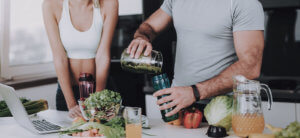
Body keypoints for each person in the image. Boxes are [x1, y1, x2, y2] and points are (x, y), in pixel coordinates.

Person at [127, 0, 265, 117]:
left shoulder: (244, 3)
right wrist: (142, 38)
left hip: (223, 110)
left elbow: (250, 66)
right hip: (179, 106)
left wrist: (195, 92)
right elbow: (150, 26)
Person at [42, 0, 118, 118]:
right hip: (68, 93)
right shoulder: (50, 5)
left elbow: (103, 55)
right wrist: (71, 104)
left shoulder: (110, 3)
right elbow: (59, 57)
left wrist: (97, 100)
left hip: (101, 90)